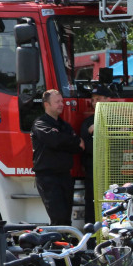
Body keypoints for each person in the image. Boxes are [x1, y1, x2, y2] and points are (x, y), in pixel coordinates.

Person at [32, 89, 84, 226]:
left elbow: (77, 147)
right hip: (48, 177)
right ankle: (56, 245)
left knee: (66, 218)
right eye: (57, 102)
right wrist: (69, 141)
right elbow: (54, 141)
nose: (61, 104)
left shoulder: (64, 126)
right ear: (46, 105)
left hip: (65, 176)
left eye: (61, 101)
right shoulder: (40, 123)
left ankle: (67, 245)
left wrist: (63, 140)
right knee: (58, 217)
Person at [79, 89, 109, 224]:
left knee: (114, 203)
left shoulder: (119, 120)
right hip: (94, 171)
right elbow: (88, 147)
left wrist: (99, 129)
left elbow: (123, 142)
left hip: (113, 170)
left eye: (98, 99)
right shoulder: (87, 123)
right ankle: (91, 239)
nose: (94, 102)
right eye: (92, 100)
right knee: (92, 205)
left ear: (108, 100)